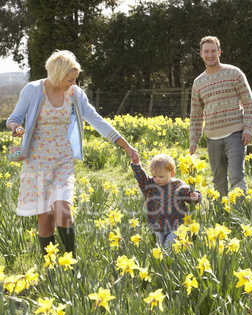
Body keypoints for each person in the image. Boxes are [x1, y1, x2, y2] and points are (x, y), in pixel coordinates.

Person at [7, 50, 139, 259]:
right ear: (58, 75)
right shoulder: (32, 90)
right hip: (36, 161)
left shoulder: (75, 93)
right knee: (45, 218)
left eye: (74, 79)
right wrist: (16, 128)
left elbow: (97, 120)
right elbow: (14, 118)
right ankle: (51, 268)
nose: (73, 83)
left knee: (63, 211)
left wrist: (127, 146)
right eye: (70, 79)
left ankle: (70, 262)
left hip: (63, 160)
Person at [189, 36, 252, 198]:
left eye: (213, 51)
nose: (210, 54)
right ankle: (222, 217)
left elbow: (249, 102)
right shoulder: (198, 83)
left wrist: (249, 128)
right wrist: (194, 139)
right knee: (218, 181)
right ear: (201, 54)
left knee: (236, 178)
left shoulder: (234, 73)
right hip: (212, 139)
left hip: (235, 136)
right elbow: (196, 115)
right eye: (206, 51)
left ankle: (241, 217)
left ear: (219, 52)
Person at [131, 154, 202, 250]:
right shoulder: (150, 185)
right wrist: (136, 166)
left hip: (177, 225)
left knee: (169, 248)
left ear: (172, 173)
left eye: (161, 176)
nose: (157, 179)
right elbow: (141, 178)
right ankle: (163, 264)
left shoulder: (178, 185)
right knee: (159, 248)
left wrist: (196, 196)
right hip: (157, 226)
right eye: (154, 176)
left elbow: (190, 195)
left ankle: (170, 263)